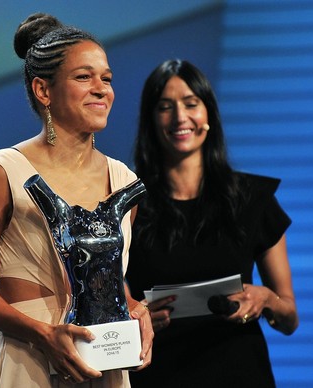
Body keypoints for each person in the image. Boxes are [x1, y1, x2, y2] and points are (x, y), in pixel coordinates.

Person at [0, 13, 153, 387]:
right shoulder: (3, 171)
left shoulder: (124, 181)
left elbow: (106, 278)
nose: (101, 89)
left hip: (103, 365)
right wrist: (41, 333)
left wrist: (136, 309)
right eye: (84, 77)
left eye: (106, 78)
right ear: (43, 91)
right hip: (30, 362)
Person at [125, 59, 299, 387]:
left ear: (209, 115)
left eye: (191, 104)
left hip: (241, 374)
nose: (180, 118)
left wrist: (265, 298)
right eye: (165, 107)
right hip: (156, 374)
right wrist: (135, 313)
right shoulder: (127, 203)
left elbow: (289, 318)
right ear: (151, 119)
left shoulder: (253, 198)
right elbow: (109, 309)